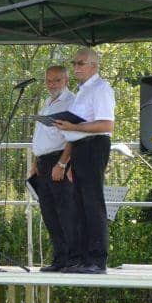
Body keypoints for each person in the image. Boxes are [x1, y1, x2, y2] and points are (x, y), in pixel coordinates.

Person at [54, 48, 115, 274]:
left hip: (94, 145)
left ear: (94, 66)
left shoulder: (101, 89)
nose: (76, 67)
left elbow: (107, 124)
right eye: (74, 63)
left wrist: (74, 127)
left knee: (92, 202)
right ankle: (83, 257)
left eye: (80, 63)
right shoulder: (82, 91)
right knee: (79, 204)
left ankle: (97, 260)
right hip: (80, 147)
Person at [29, 66, 79, 272]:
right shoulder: (47, 102)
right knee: (49, 213)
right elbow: (42, 135)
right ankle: (60, 259)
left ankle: (73, 259)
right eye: (49, 81)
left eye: (57, 80)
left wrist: (62, 163)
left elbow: (73, 136)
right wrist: (35, 162)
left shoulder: (72, 101)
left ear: (66, 80)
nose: (52, 84)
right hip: (43, 161)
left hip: (58, 159)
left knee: (66, 211)